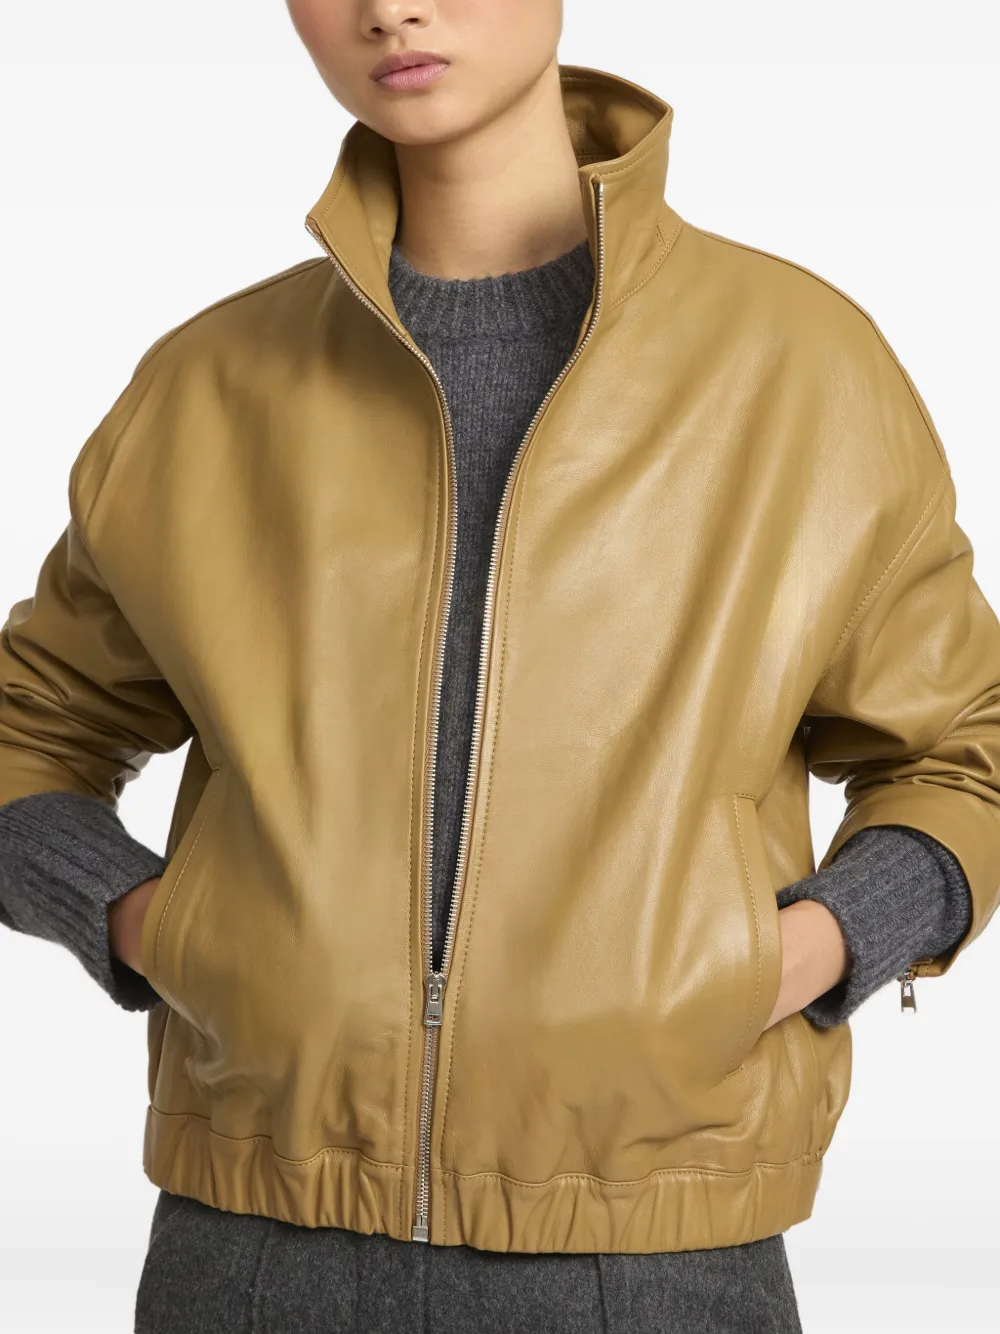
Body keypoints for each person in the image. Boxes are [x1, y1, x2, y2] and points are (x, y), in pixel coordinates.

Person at [1, 3, 997, 1331]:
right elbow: (29, 730)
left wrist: (788, 958)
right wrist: (149, 921)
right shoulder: (208, 387)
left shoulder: (799, 367)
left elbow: (963, 752)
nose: (389, 8)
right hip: (252, 1252)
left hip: (657, 1256)